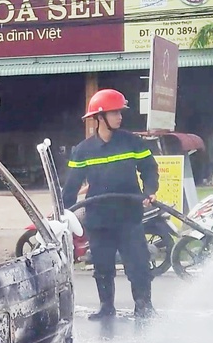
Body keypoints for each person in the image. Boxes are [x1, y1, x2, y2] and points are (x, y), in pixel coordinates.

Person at [62, 88, 159, 321]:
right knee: (102, 266)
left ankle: (143, 306)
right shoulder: (83, 150)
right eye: (114, 112)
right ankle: (106, 307)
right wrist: (64, 211)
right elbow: (72, 185)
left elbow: (149, 168)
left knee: (138, 265)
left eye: (120, 112)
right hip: (99, 217)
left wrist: (149, 191)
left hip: (129, 215)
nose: (120, 116)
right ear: (99, 117)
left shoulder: (132, 142)